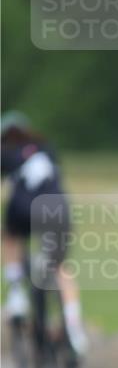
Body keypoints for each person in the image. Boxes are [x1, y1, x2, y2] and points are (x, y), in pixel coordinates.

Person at [1, 112, 87, 354]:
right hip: (56, 207)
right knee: (60, 267)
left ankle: (16, 293)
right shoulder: (46, 148)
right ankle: (74, 324)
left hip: (22, 209)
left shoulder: (6, 151)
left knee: (10, 237)